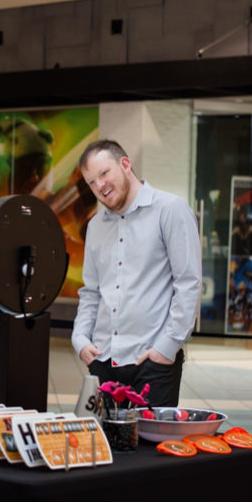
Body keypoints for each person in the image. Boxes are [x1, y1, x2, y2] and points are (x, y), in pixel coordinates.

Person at [71, 139, 201, 408]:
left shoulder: (170, 210)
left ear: (125, 164)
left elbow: (188, 283)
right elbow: (91, 291)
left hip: (153, 363)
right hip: (103, 361)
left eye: (104, 173)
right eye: (91, 182)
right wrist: (80, 339)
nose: (100, 186)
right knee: (107, 446)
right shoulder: (95, 226)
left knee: (150, 448)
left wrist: (168, 346)